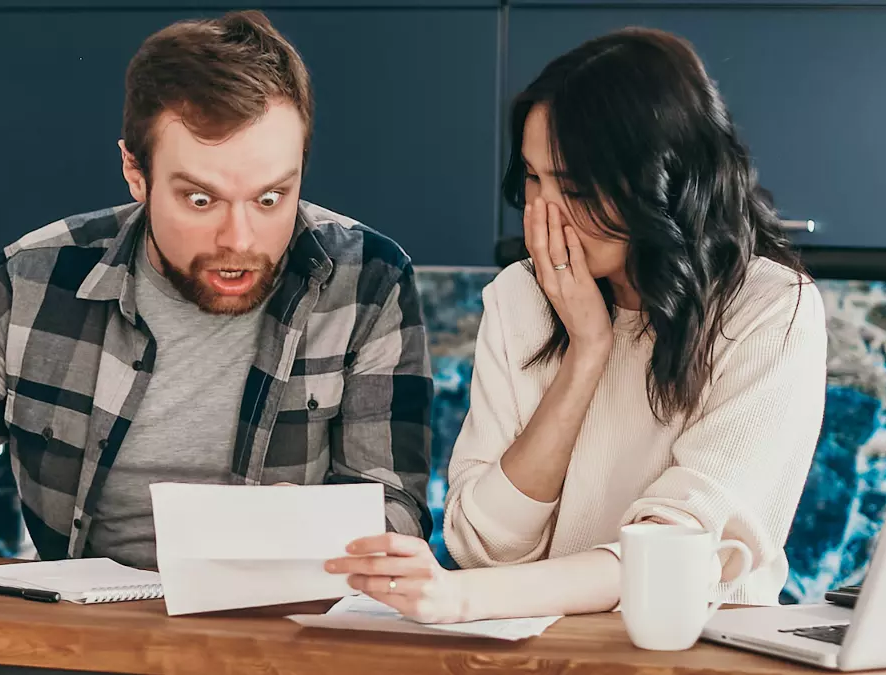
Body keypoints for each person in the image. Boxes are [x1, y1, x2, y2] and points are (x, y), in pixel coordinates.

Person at [0, 10, 433, 569]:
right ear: (135, 173)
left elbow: (398, 516)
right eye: (200, 199)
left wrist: (303, 527)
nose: (239, 237)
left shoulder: (368, 280)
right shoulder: (32, 281)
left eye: (272, 197)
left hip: (281, 637)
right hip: (86, 637)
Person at [325, 27, 826, 622]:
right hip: (544, 654)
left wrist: (460, 597)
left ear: (663, 181)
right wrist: (587, 349)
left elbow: (675, 552)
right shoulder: (520, 298)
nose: (545, 213)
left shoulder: (772, 309)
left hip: (702, 653)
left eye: (577, 188)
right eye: (534, 179)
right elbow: (482, 545)